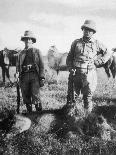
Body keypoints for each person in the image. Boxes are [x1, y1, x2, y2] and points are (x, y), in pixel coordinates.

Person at [66, 19, 112, 114]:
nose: (87, 32)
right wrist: (70, 67)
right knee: (72, 97)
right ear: (82, 30)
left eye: (90, 30)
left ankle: (87, 119)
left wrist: (98, 61)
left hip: (89, 74)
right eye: (85, 29)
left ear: (93, 32)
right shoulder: (76, 42)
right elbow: (69, 57)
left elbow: (108, 53)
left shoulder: (97, 43)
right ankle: (71, 119)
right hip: (75, 73)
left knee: (87, 97)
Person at [17, 30, 45, 113]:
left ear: (32, 41)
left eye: (29, 39)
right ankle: (30, 115)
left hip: (34, 76)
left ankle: (39, 115)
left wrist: (42, 78)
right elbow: (18, 66)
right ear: (24, 41)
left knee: (36, 96)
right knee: (26, 97)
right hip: (24, 76)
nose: (27, 41)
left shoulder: (37, 51)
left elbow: (41, 65)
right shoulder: (21, 53)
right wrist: (17, 76)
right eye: (26, 39)